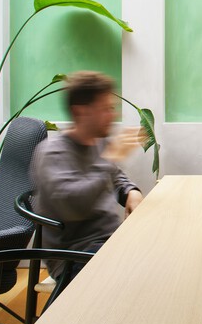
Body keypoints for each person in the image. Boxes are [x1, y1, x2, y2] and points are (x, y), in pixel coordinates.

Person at [30, 71, 144, 278]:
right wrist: (111, 159)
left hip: (110, 241)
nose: (113, 115)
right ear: (80, 112)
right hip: (76, 256)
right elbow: (75, 206)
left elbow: (114, 176)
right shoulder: (52, 153)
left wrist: (131, 191)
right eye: (106, 109)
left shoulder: (97, 141)